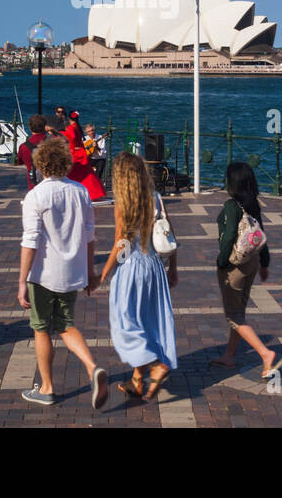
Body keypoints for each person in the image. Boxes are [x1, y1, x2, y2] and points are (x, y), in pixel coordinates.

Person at [17, 134, 108, 408]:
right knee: (66, 324)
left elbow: (30, 242)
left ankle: (46, 388)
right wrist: (91, 272)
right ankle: (92, 368)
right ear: (66, 163)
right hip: (72, 271)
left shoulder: (36, 196)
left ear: (41, 164)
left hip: (43, 273)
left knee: (42, 328)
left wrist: (22, 281)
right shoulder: (80, 192)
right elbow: (90, 235)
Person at [97, 153, 178, 401]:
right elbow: (170, 234)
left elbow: (122, 243)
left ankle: (155, 364)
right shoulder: (155, 198)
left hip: (131, 268)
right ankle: (137, 381)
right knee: (146, 322)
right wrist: (173, 268)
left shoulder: (123, 204)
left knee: (124, 323)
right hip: (154, 268)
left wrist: (104, 272)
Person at [209, 162, 282, 377]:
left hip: (235, 266)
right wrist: (265, 263)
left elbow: (230, 235)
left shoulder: (231, 206)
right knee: (239, 312)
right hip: (252, 262)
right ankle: (229, 356)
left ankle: (265, 353)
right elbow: (261, 232)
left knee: (233, 316)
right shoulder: (253, 203)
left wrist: (222, 262)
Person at [17, 114, 51, 188]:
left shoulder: (23, 147)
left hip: (34, 182)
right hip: (51, 180)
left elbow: (19, 161)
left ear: (30, 128)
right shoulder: (52, 142)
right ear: (44, 127)